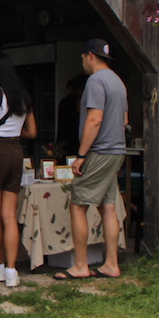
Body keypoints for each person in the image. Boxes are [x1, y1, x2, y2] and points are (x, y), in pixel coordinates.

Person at [61, 39, 128, 279]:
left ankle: (80, 265)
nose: (82, 62)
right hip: (117, 150)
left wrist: (81, 155)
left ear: (89, 55)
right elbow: (125, 120)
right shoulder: (118, 82)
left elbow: (94, 120)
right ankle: (111, 263)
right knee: (108, 207)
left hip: (99, 151)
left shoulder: (96, 81)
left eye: (82, 58)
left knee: (78, 204)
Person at [0, 53, 37, 288]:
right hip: (17, 152)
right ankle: (13, 272)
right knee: (9, 215)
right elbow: (32, 133)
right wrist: (16, 133)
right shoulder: (23, 98)